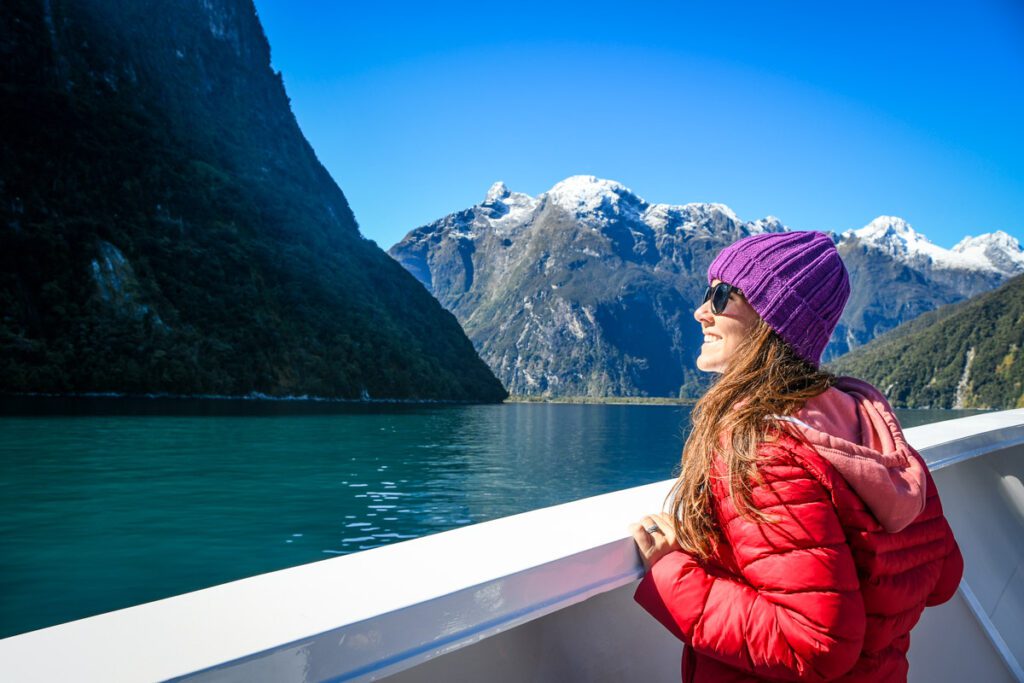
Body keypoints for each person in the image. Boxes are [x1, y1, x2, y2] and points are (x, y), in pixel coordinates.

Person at [630, 231, 963, 682]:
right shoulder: (874, 434)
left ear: (773, 317)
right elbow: (942, 578)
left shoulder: (762, 448)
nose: (701, 311)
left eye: (721, 294)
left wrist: (673, 572)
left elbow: (813, 643)